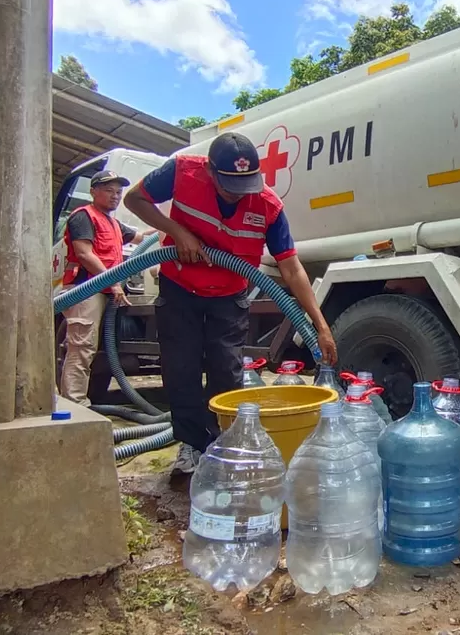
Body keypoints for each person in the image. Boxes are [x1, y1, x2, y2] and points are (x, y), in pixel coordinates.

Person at [124, 132, 337, 474]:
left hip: (229, 295)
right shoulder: (181, 171)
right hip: (181, 287)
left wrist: (321, 326)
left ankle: (224, 445)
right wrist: (177, 232)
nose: (239, 196)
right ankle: (192, 446)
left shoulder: (267, 206)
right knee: (182, 370)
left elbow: (291, 267)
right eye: (229, 187)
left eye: (246, 185)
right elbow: (134, 200)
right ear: (210, 170)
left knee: (227, 371)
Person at [59, 170, 150, 406]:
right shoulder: (83, 217)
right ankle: (75, 404)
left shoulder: (113, 223)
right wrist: (113, 282)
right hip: (85, 290)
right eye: (108, 191)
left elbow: (142, 238)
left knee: (94, 348)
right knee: (82, 348)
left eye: (118, 192)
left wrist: (169, 228)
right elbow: (84, 253)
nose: (115, 196)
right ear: (93, 192)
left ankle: (84, 399)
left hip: (105, 291)